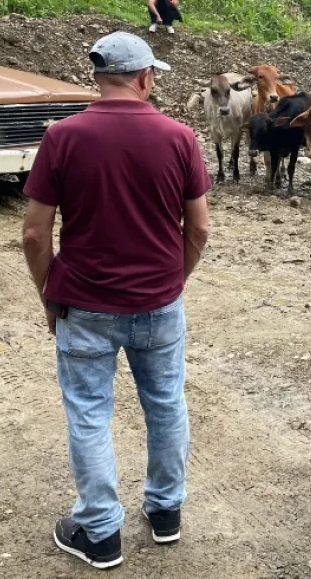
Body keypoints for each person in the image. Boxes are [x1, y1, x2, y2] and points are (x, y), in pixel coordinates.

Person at [21, 32, 211, 569]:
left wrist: (48, 295)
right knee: (167, 403)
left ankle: (100, 532)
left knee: (88, 413)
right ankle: (166, 512)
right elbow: (198, 229)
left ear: (99, 76)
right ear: (146, 77)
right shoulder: (179, 137)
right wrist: (174, 279)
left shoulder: (63, 136)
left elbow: (35, 235)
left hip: (84, 304)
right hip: (159, 303)